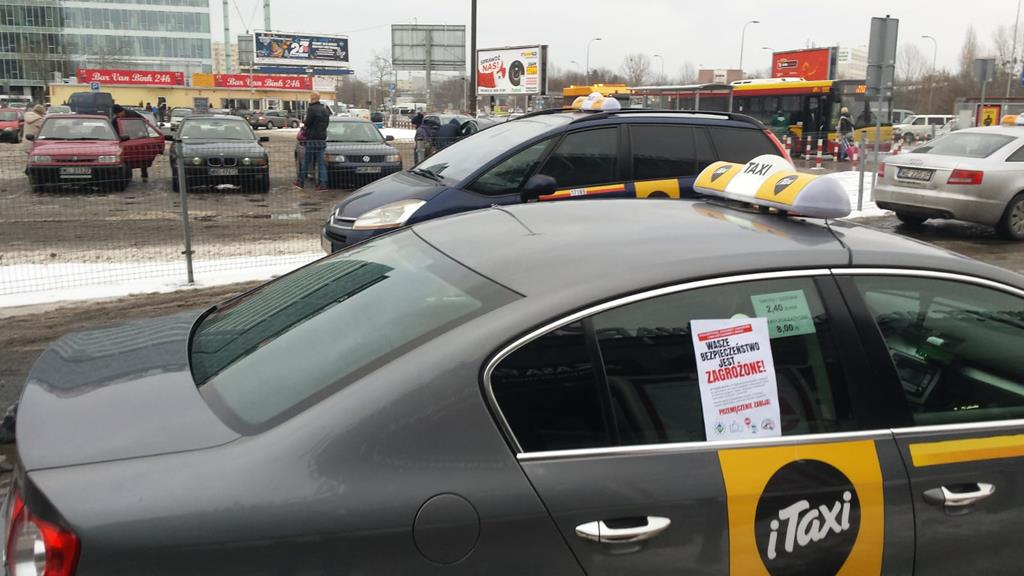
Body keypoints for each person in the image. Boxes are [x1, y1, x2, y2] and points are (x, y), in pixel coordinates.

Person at [293, 92, 331, 191]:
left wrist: (305, 128)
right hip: (322, 139)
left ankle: (300, 181)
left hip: (312, 139)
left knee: (306, 161)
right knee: (321, 163)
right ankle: (323, 184)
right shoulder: (324, 110)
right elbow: (327, 123)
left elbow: (307, 123)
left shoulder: (311, 109)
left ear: (312, 98)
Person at [112, 104, 149, 180]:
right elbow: (113, 129)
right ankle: (129, 176)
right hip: (126, 140)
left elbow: (144, 121)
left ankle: (144, 174)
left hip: (138, 138)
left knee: (142, 157)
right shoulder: (116, 119)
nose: (118, 116)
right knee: (128, 158)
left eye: (118, 114)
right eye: (116, 114)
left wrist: (140, 130)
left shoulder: (132, 114)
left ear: (122, 111)